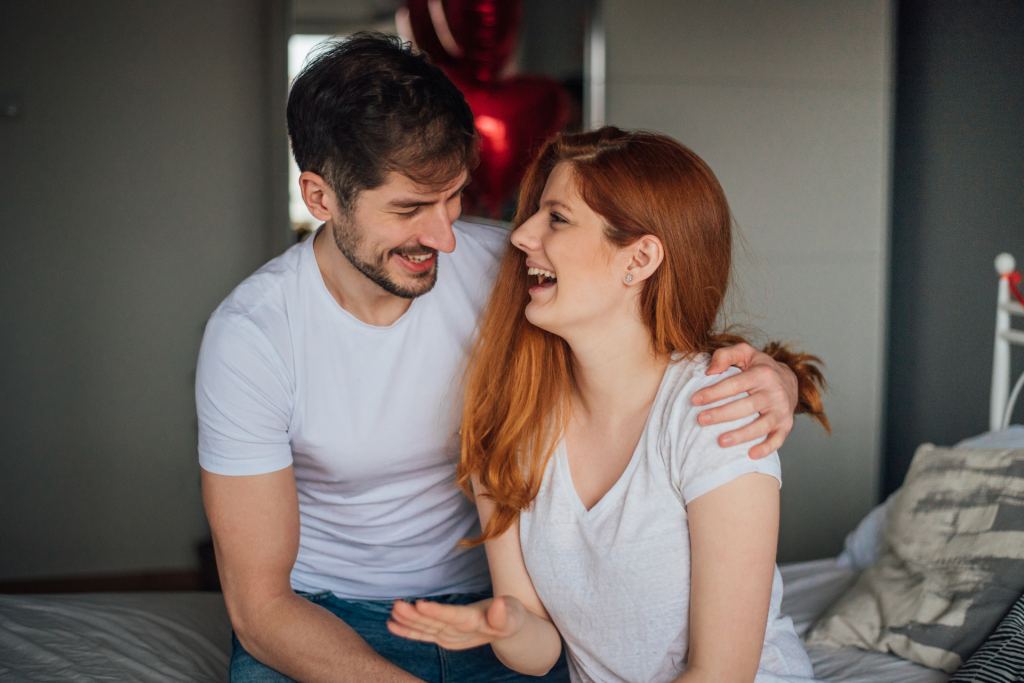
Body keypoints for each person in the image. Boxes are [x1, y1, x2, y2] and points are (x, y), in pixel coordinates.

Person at [197, 35, 809, 683]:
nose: (446, 236)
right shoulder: (254, 336)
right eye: (409, 208)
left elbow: (652, 333)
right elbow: (260, 605)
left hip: (497, 604)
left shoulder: (510, 272)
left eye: (454, 197)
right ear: (320, 199)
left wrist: (781, 378)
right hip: (334, 610)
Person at [386, 128, 830, 683]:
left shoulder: (713, 413)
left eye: (557, 218)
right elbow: (541, 650)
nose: (521, 235)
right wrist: (503, 625)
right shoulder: (513, 422)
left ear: (639, 258)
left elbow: (722, 674)